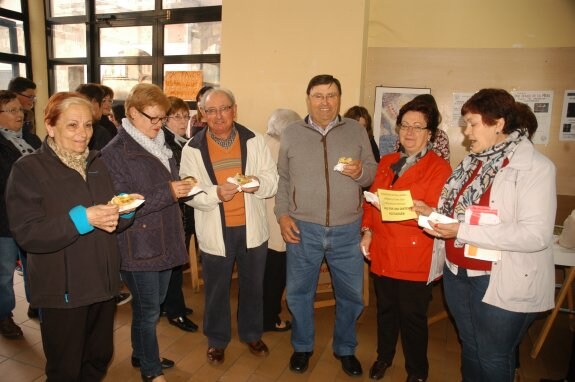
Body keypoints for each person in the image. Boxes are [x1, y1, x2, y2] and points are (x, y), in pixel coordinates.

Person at [413, 88, 557, 382]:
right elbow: (461, 213)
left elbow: (535, 235)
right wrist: (432, 212)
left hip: (497, 278)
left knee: (492, 354)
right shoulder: (472, 163)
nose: (466, 132)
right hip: (457, 272)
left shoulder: (535, 168)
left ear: (499, 123)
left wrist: (461, 230)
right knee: (470, 346)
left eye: (472, 123)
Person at [6, 92, 136, 380]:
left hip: (102, 284)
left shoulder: (97, 163)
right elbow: (28, 233)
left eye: (88, 125)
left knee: (99, 358)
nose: (83, 134)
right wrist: (82, 218)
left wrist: (123, 211)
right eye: (72, 125)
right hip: (63, 290)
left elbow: (109, 220)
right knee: (65, 367)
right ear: (50, 127)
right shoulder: (28, 169)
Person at [275, 74, 377, 376]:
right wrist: (282, 215)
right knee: (298, 293)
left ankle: (345, 348)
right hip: (302, 228)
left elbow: (371, 173)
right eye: (318, 95)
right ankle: (303, 346)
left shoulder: (356, 130)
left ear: (339, 99)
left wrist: (360, 173)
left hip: (347, 230)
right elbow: (284, 179)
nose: (325, 102)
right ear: (308, 98)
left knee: (351, 295)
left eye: (331, 95)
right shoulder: (292, 133)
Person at [180, 87, 278, 365]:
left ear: (235, 109)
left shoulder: (255, 140)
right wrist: (215, 194)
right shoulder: (193, 148)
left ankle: (251, 333)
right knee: (216, 289)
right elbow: (189, 192)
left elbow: (272, 179)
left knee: (252, 287)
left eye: (224, 109)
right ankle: (217, 339)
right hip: (215, 229)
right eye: (210, 110)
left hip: (252, 229)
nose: (218, 116)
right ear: (202, 114)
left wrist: (257, 184)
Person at [101, 83, 191, 382]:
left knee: (154, 304)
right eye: (152, 118)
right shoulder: (115, 152)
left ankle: (142, 355)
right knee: (148, 311)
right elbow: (122, 204)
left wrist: (182, 186)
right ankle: (151, 371)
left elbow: (167, 183)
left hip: (165, 237)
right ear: (130, 113)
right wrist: (169, 192)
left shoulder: (159, 142)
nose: (158, 125)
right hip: (138, 242)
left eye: (162, 118)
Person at [360, 96, 452, 381]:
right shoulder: (386, 162)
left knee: (413, 319)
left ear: (430, 134)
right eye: (404, 126)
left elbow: (440, 215)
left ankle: (417, 371)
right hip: (383, 251)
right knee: (385, 311)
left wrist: (425, 211)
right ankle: (383, 357)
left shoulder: (441, 169)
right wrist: (367, 232)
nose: (409, 133)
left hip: (416, 254)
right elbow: (370, 204)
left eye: (418, 127)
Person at [0, 90, 41, 339]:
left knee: (35, 267)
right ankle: (4, 315)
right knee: (4, 273)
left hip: (34, 217)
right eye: (12, 110)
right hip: (3, 221)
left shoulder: (31, 139)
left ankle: (38, 303)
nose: (19, 114)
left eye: (20, 109)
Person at [159, 95, 198, 332]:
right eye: (177, 116)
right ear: (164, 119)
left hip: (184, 209)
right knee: (174, 262)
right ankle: (175, 310)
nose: (183, 120)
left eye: (186, 115)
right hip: (175, 212)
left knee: (174, 261)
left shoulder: (183, 141)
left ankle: (168, 304)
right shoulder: (166, 143)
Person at [262, 108, 302, 332]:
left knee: (263, 276)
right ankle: (270, 318)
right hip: (279, 222)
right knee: (275, 278)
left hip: (263, 222)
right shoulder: (282, 149)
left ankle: (261, 316)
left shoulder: (261, 143)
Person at [391, 95, 451, 162]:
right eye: (405, 125)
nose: (409, 132)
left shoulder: (440, 135)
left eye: (417, 127)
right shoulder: (404, 134)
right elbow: (396, 155)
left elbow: (443, 161)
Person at [76, 83, 113, 150]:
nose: (105, 105)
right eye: (102, 101)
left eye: (110, 101)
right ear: (94, 102)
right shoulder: (101, 133)